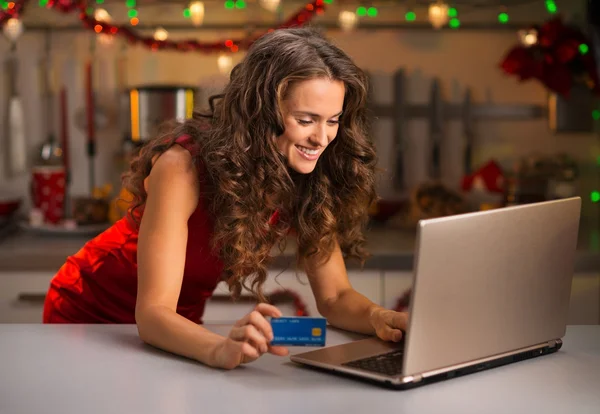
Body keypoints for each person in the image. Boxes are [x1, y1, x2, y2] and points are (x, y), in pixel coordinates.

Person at [43, 27, 408, 370]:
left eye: (333, 120)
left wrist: (379, 317)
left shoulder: (306, 173)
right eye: (306, 119)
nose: (322, 138)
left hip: (176, 328)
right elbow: (152, 312)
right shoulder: (182, 166)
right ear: (262, 111)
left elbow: (336, 298)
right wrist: (220, 347)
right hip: (89, 315)